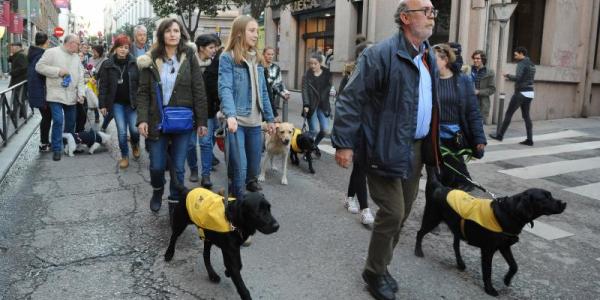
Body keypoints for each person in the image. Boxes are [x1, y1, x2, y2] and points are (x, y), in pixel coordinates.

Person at [331, 1, 441, 299]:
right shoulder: (380, 54)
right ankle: (374, 272)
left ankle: (380, 264)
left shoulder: (428, 55)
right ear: (406, 18)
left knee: (402, 215)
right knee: (393, 213)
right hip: (383, 147)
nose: (433, 16)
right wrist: (343, 143)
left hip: (416, 150)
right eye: (426, 11)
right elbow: (350, 100)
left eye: (434, 11)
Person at [136, 18, 208, 212]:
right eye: (168, 31)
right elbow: (142, 92)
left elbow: (198, 89)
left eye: (176, 30)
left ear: (181, 33)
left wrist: (202, 121)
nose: (173, 34)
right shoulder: (150, 59)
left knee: (178, 167)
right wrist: (142, 119)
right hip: (157, 120)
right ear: (162, 34)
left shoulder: (189, 56)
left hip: (183, 120)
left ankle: (175, 200)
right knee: (157, 166)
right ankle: (158, 190)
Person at [219, 15, 276, 198]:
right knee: (240, 168)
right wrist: (230, 115)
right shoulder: (227, 58)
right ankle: (236, 209)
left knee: (253, 169)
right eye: (251, 30)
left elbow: (264, 91)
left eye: (256, 31)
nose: (256, 35)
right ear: (239, 33)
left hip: (255, 123)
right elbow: (225, 87)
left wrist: (270, 118)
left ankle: (243, 192)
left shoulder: (258, 59)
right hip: (237, 122)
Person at [433, 43, 486, 191]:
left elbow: (473, 111)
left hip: (456, 135)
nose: (430, 61)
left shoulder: (463, 80)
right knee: (440, 175)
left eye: (433, 58)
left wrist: (479, 138)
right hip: (435, 135)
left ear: (445, 60)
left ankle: (455, 202)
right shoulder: (429, 80)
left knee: (454, 173)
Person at [36, 34, 86, 161]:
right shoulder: (52, 52)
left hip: (71, 95)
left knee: (70, 122)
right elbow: (39, 67)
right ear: (70, 43)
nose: (79, 47)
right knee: (58, 120)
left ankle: (66, 144)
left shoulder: (76, 58)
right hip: (55, 94)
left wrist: (81, 94)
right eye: (78, 44)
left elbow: (80, 78)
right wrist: (57, 71)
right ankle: (56, 149)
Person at [340, 41, 374, 225]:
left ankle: (349, 197)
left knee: (360, 168)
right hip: (356, 129)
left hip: (371, 129)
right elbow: (343, 104)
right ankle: (365, 208)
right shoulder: (350, 77)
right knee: (361, 168)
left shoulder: (378, 75)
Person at [98, 34, 141, 168]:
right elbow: (103, 85)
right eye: (120, 47)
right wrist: (102, 104)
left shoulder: (135, 63)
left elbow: (140, 84)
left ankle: (135, 143)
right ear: (115, 48)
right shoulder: (107, 64)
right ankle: (124, 156)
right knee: (122, 131)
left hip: (132, 103)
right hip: (116, 103)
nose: (123, 50)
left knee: (134, 130)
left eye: (126, 47)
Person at [186, 33, 219, 184]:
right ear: (201, 48)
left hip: (209, 111)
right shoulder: (188, 63)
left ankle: (206, 175)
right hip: (190, 111)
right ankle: (193, 168)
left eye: (215, 47)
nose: (214, 50)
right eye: (211, 47)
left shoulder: (216, 64)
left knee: (206, 143)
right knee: (191, 143)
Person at [489, 46, 536, 146]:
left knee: (509, 113)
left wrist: (507, 75)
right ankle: (530, 139)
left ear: (521, 54)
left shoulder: (521, 63)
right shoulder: (531, 64)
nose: (514, 56)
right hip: (530, 92)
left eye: (516, 54)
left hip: (521, 92)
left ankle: (500, 135)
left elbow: (518, 78)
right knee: (526, 116)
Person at [302, 53, 334, 158]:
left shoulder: (328, 74)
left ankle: (313, 146)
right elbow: (305, 90)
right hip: (311, 106)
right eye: (310, 63)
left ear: (320, 63)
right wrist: (306, 104)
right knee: (314, 130)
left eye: (315, 63)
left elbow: (331, 88)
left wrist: (333, 90)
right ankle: (307, 151)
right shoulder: (307, 75)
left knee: (325, 130)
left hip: (324, 106)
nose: (312, 66)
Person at [27, 33, 52, 152]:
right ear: (46, 42)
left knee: (47, 117)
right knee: (47, 117)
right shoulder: (42, 55)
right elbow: (42, 75)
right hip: (42, 92)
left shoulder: (33, 53)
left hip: (37, 91)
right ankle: (44, 143)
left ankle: (45, 142)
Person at [263, 46, 290, 119]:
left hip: (271, 98)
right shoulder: (259, 66)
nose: (270, 56)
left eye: (272, 54)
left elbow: (278, 83)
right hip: (260, 98)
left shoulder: (276, 68)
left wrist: (284, 93)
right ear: (263, 54)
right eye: (268, 54)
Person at [470, 50, 496, 123]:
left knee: (478, 128)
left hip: (481, 104)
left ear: (483, 60)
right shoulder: (468, 69)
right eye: (474, 58)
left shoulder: (489, 72)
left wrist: (478, 92)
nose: (475, 60)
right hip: (468, 102)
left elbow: (492, 89)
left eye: (478, 58)